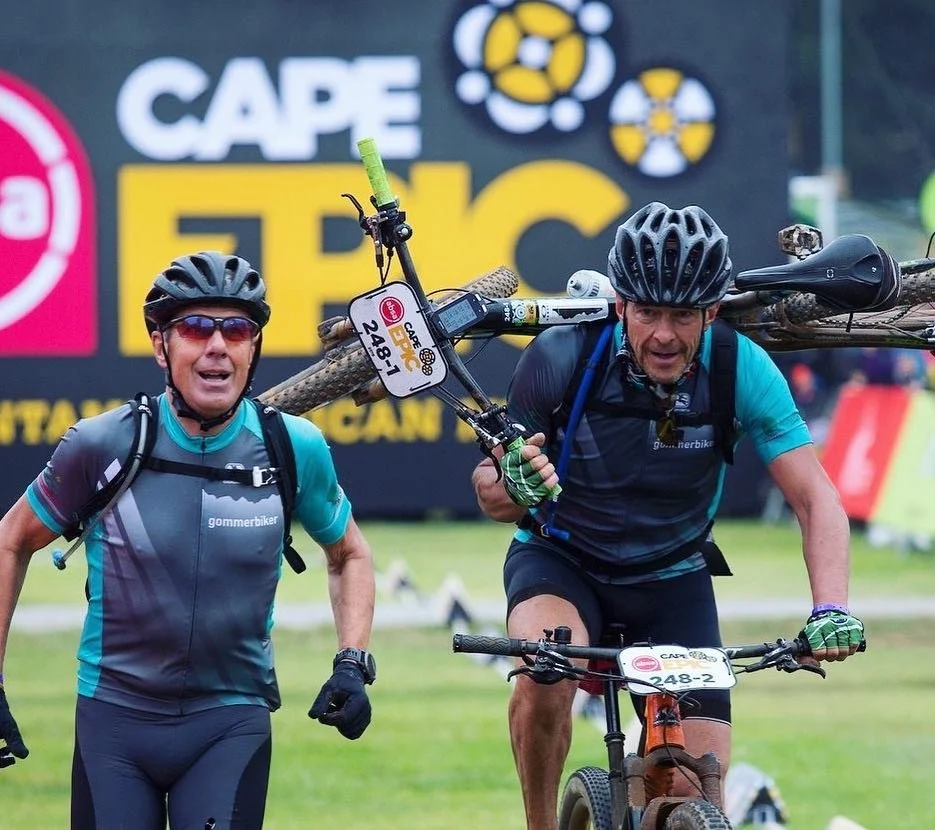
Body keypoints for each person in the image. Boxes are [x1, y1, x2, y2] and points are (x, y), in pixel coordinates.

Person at [471, 202, 865, 830]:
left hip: (673, 576)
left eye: (682, 314)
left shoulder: (740, 368)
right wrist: (514, 486)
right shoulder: (560, 357)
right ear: (621, 303)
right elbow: (492, 491)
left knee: (691, 785)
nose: (662, 333)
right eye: (648, 311)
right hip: (561, 558)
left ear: (711, 310)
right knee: (548, 669)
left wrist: (831, 607)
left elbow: (816, 499)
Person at [0, 251, 377, 829]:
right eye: (197, 327)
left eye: (237, 328)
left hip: (231, 722)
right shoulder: (104, 444)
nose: (218, 345)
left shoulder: (292, 448)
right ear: (161, 346)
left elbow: (349, 554)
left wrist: (352, 661)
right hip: (114, 722)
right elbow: (11, 541)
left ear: (253, 347)